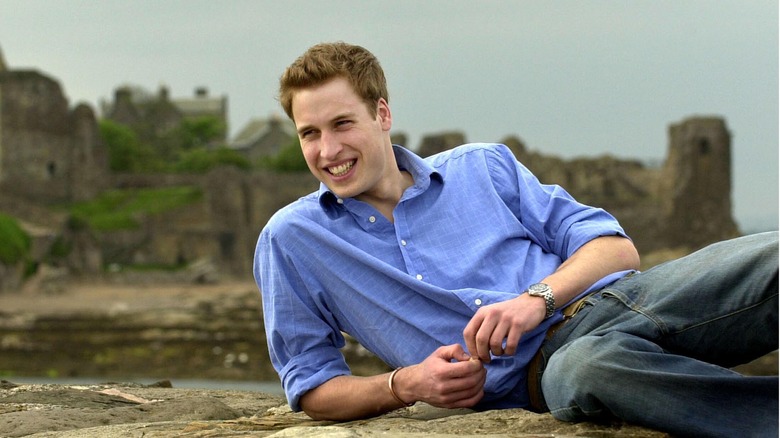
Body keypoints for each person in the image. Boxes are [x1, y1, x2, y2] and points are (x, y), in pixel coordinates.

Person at [254, 41, 778, 437]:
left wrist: (536, 299)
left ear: (382, 114)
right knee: (595, 368)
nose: (327, 149)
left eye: (342, 124)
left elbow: (616, 248)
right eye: (309, 133)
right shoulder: (292, 239)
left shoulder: (481, 165)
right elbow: (310, 386)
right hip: (546, 374)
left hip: (624, 299)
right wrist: (405, 385)